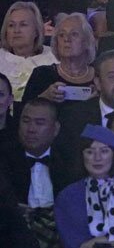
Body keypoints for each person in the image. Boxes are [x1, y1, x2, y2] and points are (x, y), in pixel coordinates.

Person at [0, 98, 74, 248]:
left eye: (39, 123)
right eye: (26, 121)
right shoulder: (3, 158)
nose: (31, 129)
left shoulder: (70, 161)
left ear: (55, 129)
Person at [22, 13, 97, 113]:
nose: (66, 39)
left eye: (74, 34)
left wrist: (99, 100)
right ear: (56, 43)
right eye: (61, 35)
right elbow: (22, 114)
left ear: (87, 42)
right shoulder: (42, 74)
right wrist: (43, 98)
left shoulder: (99, 77)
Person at [0, 2, 57, 101]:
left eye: (23, 25)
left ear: (36, 31)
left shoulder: (54, 58)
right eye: (11, 25)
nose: (16, 30)